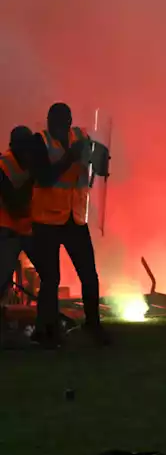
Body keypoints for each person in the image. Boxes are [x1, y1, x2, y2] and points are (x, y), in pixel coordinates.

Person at [27, 103, 110, 346]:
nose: (61, 128)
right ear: (49, 122)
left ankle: (93, 325)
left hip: (74, 218)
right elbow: (43, 178)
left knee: (89, 274)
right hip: (46, 221)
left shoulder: (82, 137)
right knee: (51, 278)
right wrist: (69, 158)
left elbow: (101, 167)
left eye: (65, 123)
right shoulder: (39, 142)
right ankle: (46, 330)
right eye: (57, 123)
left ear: (70, 121)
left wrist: (102, 157)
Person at [0, 127, 38, 305]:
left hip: (27, 229)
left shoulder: (32, 164)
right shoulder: (3, 166)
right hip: (7, 230)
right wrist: (33, 178)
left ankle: (46, 322)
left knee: (49, 275)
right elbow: (14, 205)